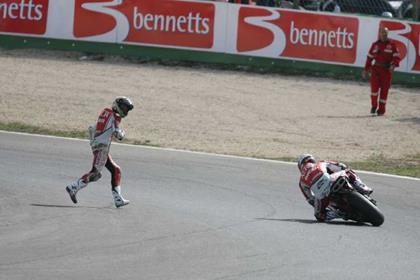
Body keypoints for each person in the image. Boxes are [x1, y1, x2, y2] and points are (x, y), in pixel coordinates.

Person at [66, 97, 134, 208]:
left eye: (127, 109)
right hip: (102, 147)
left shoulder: (105, 111)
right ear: (117, 106)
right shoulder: (116, 117)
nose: (125, 111)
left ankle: (118, 199)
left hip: (96, 145)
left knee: (115, 170)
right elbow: (117, 134)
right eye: (124, 107)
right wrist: (122, 133)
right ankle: (73, 187)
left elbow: (94, 128)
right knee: (95, 173)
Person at [297, 154, 373, 222]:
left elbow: (310, 199)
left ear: (300, 166)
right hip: (333, 178)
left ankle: (338, 213)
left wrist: (323, 204)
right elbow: (341, 166)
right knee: (348, 171)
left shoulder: (302, 181)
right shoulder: (320, 163)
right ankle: (362, 187)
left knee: (319, 216)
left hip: (323, 194)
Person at [362, 27, 401, 116]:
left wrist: (393, 65)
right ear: (379, 33)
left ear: (387, 34)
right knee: (374, 89)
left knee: (384, 91)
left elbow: (397, 57)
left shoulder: (392, 44)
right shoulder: (375, 45)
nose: (384, 35)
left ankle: (381, 110)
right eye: (382, 33)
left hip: (386, 71)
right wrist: (366, 69)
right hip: (376, 70)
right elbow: (369, 58)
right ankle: (374, 106)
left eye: (385, 33)